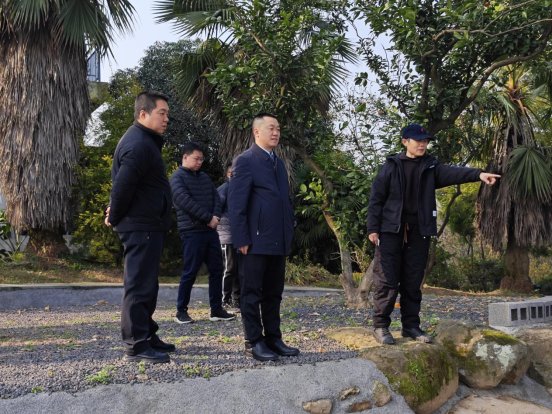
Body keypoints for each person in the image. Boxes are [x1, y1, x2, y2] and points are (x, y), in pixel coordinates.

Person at [366, 123, 501, 345]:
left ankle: (411, 326)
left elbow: (454, 172)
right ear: (405, 141)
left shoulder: (430, 167)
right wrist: (373, 228)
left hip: (419, 231)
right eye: (418, 141)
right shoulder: (391, 166)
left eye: (425, 141)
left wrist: (479, 174)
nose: (422, 144)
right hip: (391, 231)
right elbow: (376, 199)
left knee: (413, 281)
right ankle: (381, 326)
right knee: (387, 280)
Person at [105, 91, 175, 363]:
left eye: (167, 114)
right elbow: (123, 186)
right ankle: (136, 344)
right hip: (140, 225)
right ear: (143, 114)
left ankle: (146, 334)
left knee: (148, 284)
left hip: (148, 224)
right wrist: (114, 215)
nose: (166, 119)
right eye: (162, 113)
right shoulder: (138, 144)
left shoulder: (145, 141)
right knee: (138, 285)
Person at [228, 113, 299, 362]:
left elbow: (283, 202)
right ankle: (254, 341)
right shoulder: (246, 161)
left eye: (278, 128)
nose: (276, 133)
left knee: (273, 293)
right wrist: (241, 239)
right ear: (256, 132)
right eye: (271, 128)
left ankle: (273, 338)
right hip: (254, 241)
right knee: (251, 293)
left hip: (277, 239)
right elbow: (236, 204)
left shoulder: (278, 163)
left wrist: (288, 232)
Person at [170, 142, 235, 324]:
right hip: (191, 231)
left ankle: (216, 309)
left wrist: (215, 217)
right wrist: (208, 218)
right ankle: (181, 311)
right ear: (185, 157)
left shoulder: (204, 177)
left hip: (210, 231)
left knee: (217, 269)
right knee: (190, 271)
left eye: (201, 159)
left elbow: (216, 198)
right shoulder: (177, 178)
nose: (199, 162)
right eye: (196, 159)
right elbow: (184, 201)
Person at [217, 162, 240, 310]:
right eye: (232, 172)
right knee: (229, 268)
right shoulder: (224, 189)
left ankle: (237, 300)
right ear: (228, 174)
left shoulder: (241, 189)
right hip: (226, 235)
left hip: (239, 236)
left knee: (238, 269)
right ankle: (224, 300)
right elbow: (215, 210)